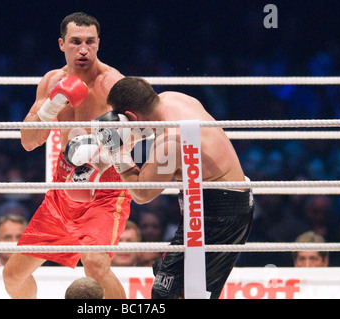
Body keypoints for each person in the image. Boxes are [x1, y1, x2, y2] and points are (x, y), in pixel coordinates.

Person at [3, 12, 131, 299]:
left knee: (95, 264)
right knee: (13, 275)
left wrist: (99, 159)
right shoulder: (51, 81)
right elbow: (29, 142)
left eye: (90, 42)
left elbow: (140, 135)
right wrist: (50, 107)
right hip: (63, 192)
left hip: (105, 190)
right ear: (62, 44)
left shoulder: (113, 84)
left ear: (99, 43)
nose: (83, 49)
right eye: (76, 42)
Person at [94, 77, 254, 299]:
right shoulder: (174, 99)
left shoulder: (170, 142)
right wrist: (129, 137)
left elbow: (141, 194)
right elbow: (150, 130)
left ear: (130, 116)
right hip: (215, 204)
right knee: (180, 292)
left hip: (219, 214)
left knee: (170, 292)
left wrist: (117, 152)